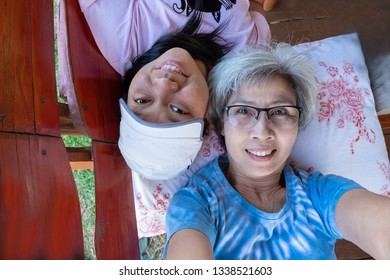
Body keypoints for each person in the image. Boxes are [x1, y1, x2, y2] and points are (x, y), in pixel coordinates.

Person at [163, 44, 390, 259]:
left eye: (280, 111)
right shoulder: (197, 202)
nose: (262, 132)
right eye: (243, 110)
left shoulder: (320, 195)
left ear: (298, 124)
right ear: (221, 123)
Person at [76, 0, 275, 240]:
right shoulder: (245, 55)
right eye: (178, 109)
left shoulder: (122, 38)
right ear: (207, 118)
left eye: (142, 101)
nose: (163, 84)